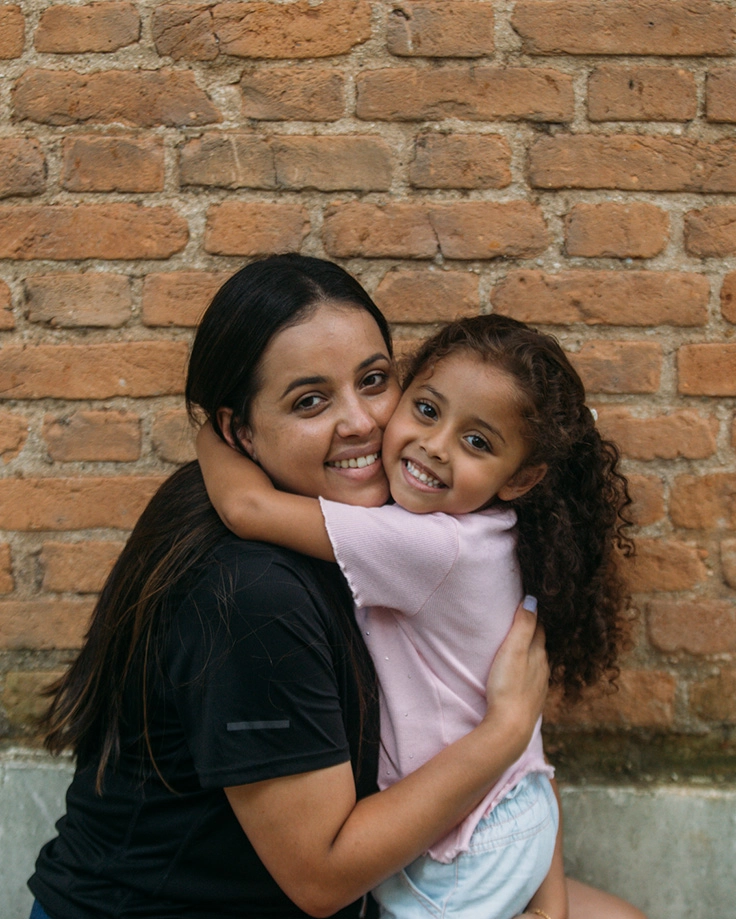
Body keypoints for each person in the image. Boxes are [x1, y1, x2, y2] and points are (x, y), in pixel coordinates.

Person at [28, 255, 644, 919]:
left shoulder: (403, 524)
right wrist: (505, 730)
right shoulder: (253, 594)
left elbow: (504, 704)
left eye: (374, 381)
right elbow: (321, 879)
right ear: (241, 431)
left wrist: (547, 897)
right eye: (310, 401)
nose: (361, 422)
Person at [196, 312, 636, 919]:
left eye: (477, 442)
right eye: (427, 410)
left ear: (523, 478)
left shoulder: (427, 546)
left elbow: (246, 507)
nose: (434, 444)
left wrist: (212, 435)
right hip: (516, 802)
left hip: (465, 842)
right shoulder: (491, 532)